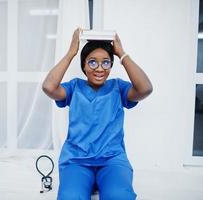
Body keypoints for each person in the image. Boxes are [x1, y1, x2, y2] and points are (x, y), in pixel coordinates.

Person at [42, 28, 153, 200]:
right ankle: (88, 183)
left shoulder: (118, 87)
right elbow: (48, 87)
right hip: (77, 161)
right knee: (70, 197)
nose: (99, 68)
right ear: (84, 66)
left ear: (111, 65)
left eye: (106, 62)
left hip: (112, 161)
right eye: (92, 62)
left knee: (119, 196)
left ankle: (102, 183)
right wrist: (71, 52)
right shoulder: (73, 87)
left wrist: (121, 54)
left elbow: (145, 88)